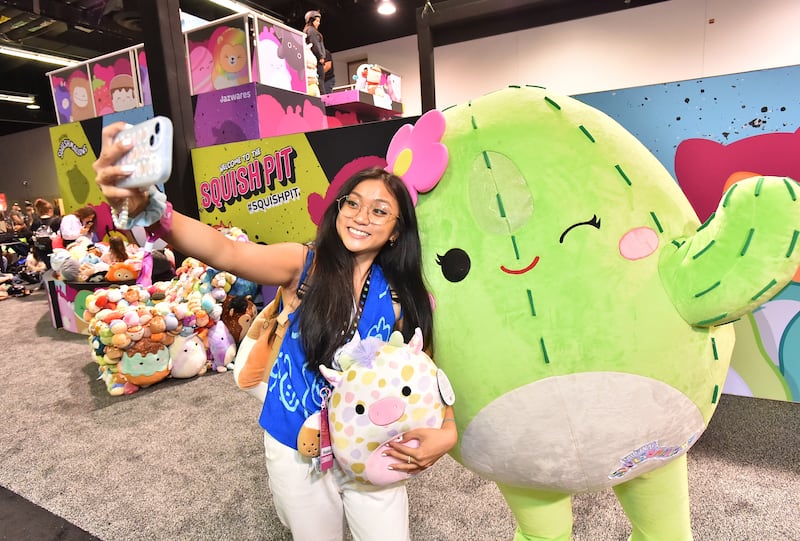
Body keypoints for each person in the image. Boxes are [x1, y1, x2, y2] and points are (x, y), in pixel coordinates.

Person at [93, 122, 458, 541]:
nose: (360, 217)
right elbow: (227, 251)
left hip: (371, 443)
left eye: (379, 211)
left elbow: (426, 372)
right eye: (352, 204)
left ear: (396, 230)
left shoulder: (400, 293)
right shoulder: (302, 264)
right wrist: (158, 213)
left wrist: (446, 432)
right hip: (294, 444)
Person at [303, 10, 327, 95]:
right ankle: (322, 96)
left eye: (319, 21)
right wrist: (320, 56)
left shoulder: (310, 30)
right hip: (316, 59)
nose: (318, 23)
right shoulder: (311, 30)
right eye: (316, 21)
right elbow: (315, 44)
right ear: (311, 20)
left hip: (316, 58)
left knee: (320, 78)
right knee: (320, 78)